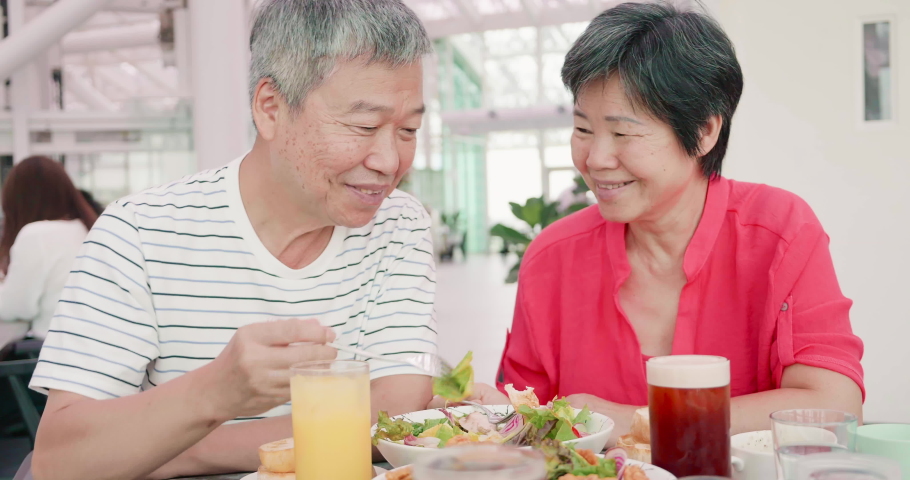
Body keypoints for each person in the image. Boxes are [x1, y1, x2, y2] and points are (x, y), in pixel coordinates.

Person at [30, 1, 436, 479]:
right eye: (364, 127)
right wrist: (214, 392)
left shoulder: (399, 223)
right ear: (271, 108)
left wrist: (181, 450)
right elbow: (59, 461)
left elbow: (395, 406)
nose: (390, 161)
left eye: (408, 129)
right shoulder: (138, 233)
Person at [450, 2, 864, 443]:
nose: (595, 160)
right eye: (583, 130)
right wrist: (484, 412)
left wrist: (635, 419)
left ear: (704, 131)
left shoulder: (779, 231)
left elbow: (833, 404)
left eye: (623, 133)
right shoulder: (553, 257)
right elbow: (528, 418)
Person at [0, 156, 97, 351]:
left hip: (53, 355)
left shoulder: (37, 234)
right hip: (92, 350)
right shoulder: (87, 227)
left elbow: (16, 308)